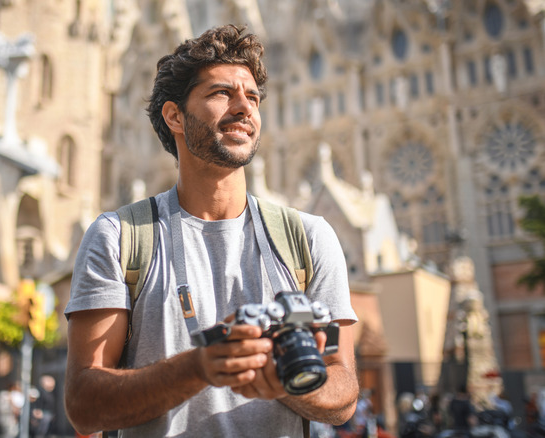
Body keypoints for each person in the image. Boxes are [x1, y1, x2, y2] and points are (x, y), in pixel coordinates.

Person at [63, 24, 358, 437]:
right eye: (222, 93)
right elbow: (84, 406)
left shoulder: (308, 238)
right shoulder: (119, 237)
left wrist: (287, 378)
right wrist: (200, 366)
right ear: (175, 116)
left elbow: (343, 397)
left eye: (252, 97)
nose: (244, 107)